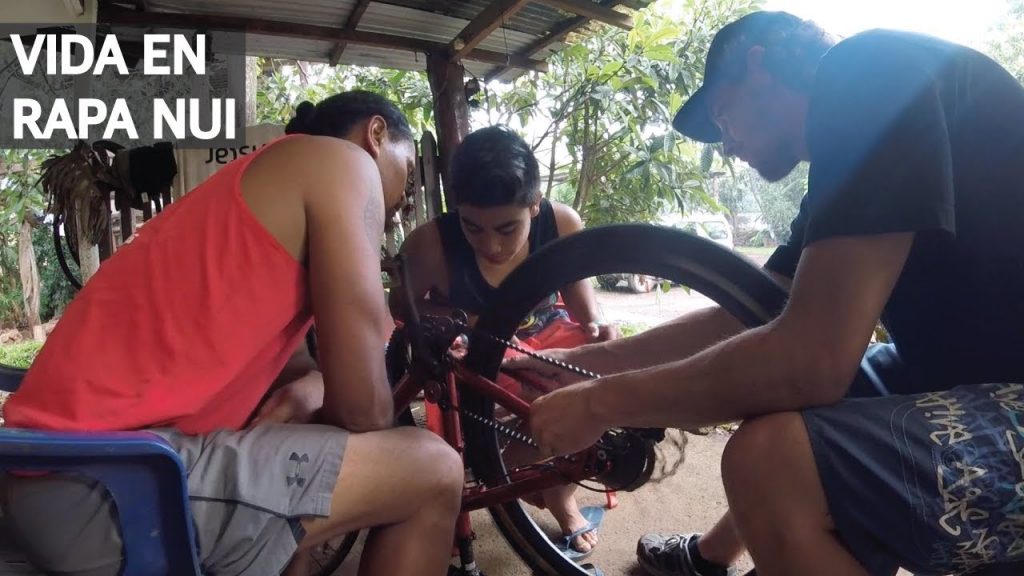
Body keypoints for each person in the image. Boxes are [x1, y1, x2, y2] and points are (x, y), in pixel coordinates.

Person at [512, 10, 1024, 576]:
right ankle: (713, 558)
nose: (727, 146)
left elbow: (809, 364)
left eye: (722, 115)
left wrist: (598, 403)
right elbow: (752, 307)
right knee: (773, 397)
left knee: (769, 462)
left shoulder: (866, 69)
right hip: (968, 373)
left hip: (1006, 395)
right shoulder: (850, 152)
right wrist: (586, 365)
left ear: (757, 66)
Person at [2, 91, 463, 576]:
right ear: (375, 135)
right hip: (101, 484)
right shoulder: (343, 164)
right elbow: (365, 411)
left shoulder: (267, 186)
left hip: (54, 468)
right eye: (408, 173)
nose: (403, 199)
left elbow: (290, 369)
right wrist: (333, 391)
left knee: (306, 446)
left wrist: (311, 385)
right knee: (431, 469)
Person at [390, 125, 617, 557]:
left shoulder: (561, 224)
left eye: (507, 228)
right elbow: (401, 308)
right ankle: (487, 474)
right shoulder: (431, 244)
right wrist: (466, 321)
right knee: (536, 411)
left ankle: (560, 496)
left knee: (596, 381)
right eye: (473, 227)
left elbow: (581, 299)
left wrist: (599, 328)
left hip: (549, 337)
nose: (491, 245)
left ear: (535, 204)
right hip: (480, 349)